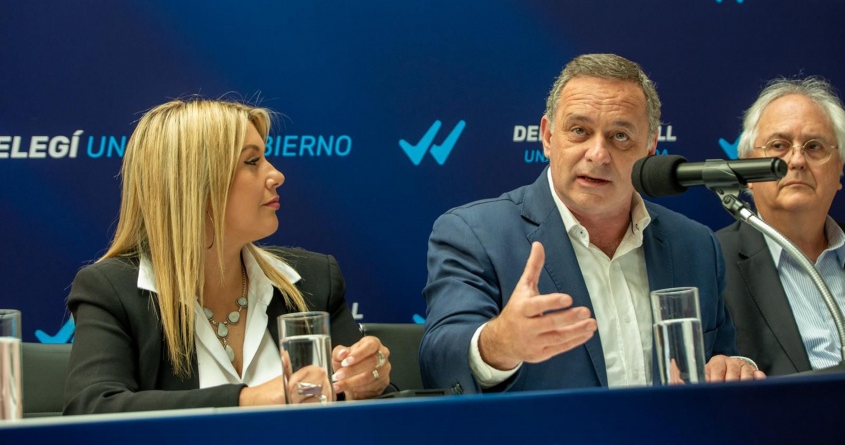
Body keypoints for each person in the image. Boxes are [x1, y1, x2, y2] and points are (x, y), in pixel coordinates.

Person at [420, 53, 764, 394]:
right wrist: (499, 344)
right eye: (579, 131)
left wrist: (733, 367)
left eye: (620, 136)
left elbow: (721, 358)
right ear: (547, 137)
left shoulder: (695, 245)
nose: (598, 154)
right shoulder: (476, 234)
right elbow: (440, 360)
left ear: (650, 148)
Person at [63, 98, 392, 414]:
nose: (277, 175)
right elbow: (93, 408)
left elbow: (379, 409)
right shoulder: (112, 291)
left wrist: (366, 384)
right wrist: (249, 400)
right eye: (252, 161)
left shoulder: (314, 280)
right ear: (194, 183)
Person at [716, 77, 845, 375]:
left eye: (814, 146)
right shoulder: (712, 262)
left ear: (839, 169)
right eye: (779, 146)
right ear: (746, 168)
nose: (797, 160)